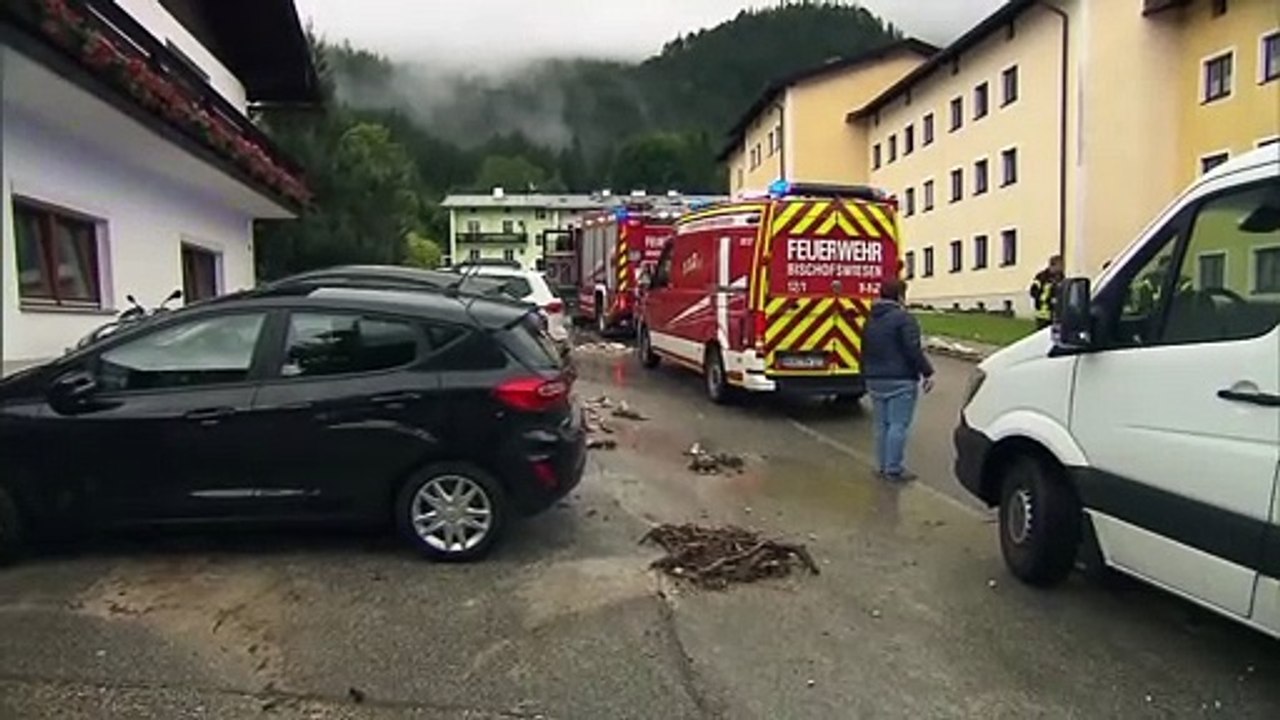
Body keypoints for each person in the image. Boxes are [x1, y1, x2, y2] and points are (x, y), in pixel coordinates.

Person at [862, 278, 935, 483]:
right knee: (898, 425)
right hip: (900, 379)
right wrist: (927, 372)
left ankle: (881, 466)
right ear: (900, 296)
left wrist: (866, 374)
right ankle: (893, 468)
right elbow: (912, 349)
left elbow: (864, 349)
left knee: (881, 425)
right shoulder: (904, 319)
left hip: (875, 379)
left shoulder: (870, 319)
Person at [1029, 255, 1064, 330]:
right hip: (1043, 315)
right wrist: (1047, 299)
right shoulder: (1041, 277)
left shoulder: (1061, 277)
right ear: (1052, 266)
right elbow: (1033, 292)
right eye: (1060, 265)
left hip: (1056, 314)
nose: (1061, 268)